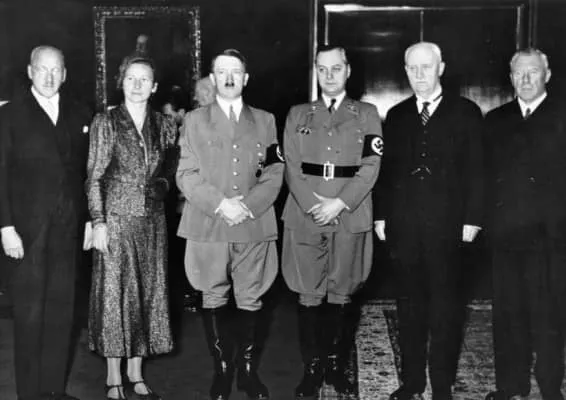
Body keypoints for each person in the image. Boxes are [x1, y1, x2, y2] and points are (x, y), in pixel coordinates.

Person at [374, 41, 484, 400]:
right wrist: (381, 215)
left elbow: (477, 171)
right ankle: (412, 382)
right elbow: (387, 172)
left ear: (441, 68)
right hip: (405, 227)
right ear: (405, 71)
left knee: (446, 310)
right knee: (409, 308)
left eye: (427, 66)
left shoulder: (466, 112)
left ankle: (440, 385)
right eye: (413, 68)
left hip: (449, 227)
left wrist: (472, 219)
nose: (419, 74)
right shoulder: (397, 115)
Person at [176, 48, 284, 400]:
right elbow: (186, 174)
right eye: (221, 72)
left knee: (251, 295)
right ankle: (222, 371)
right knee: (212, 294)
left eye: (235, 72)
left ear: (246, 78)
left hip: (253, 222)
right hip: (209, 221)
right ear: (212, 78)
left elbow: (274, 171)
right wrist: (221, 204)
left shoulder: (265, 120)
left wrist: (248, 206)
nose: (228, 78)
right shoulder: (194, 120)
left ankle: (248, 373)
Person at [483, 48, 566, 400]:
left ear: (547, 75)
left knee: (549, 317)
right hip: (506, 237)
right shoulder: (495, 120)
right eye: (519, 73)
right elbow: (484, 178)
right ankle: (510, 385)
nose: (525, 79)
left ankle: (549, 386)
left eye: (533, 72)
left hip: (551, 238)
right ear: (510, 77)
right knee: (507, 315)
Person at [282, 44, 383, 397]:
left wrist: (339, 203)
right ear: (316, 71)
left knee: (343, 291)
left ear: (348, 70)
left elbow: (371, 165)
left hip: (349, 212)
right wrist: (314, 205)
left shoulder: (366, 114)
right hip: (305, 212)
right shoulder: (298, 114)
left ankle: (336, 368)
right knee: (308, 293)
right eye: (322, 69)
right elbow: (290, 166)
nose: (329, 75)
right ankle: (312, 370)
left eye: (336, 68)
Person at [0, 45, 92, 400]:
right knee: (29, 316)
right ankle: (30, 394)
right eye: (42, 69)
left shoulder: (79, 112)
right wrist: (5, 227)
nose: (49, 77)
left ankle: (53, 392)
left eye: (56, 70)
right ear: (30, 71)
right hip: (26, 233)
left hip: (67, 231)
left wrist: (88, 221)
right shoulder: (10, 115)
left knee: (60, 313)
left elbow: (86, 175)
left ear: (65, 74)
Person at [86, 54, 177, 400]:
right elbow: (94, 176)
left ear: (154, 87)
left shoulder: (164, 124)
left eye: (144, 79)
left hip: (152, 221)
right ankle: (113, 377)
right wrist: (99, 222)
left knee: (147, 293)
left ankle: (136, 373)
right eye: (130, 79)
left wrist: (163, 186)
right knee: (115, 296)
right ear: (121, 83)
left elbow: (170, 169)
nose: (137, 85)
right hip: (117, 219)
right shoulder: (106, 122)